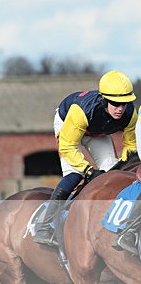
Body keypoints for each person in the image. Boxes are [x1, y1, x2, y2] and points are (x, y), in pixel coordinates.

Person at [34, 70, 138, 247]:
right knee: (75, 174)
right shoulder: (81, 111)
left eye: (124, 103)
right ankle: (44, 225)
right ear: (104, 100)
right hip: (69, 126)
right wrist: (88, 170)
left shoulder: (130, 114)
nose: (120, 109)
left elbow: (130, 146)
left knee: (112, 175)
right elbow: (68, 146)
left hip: (97, 132)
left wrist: (125, 165)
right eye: (115, 103)